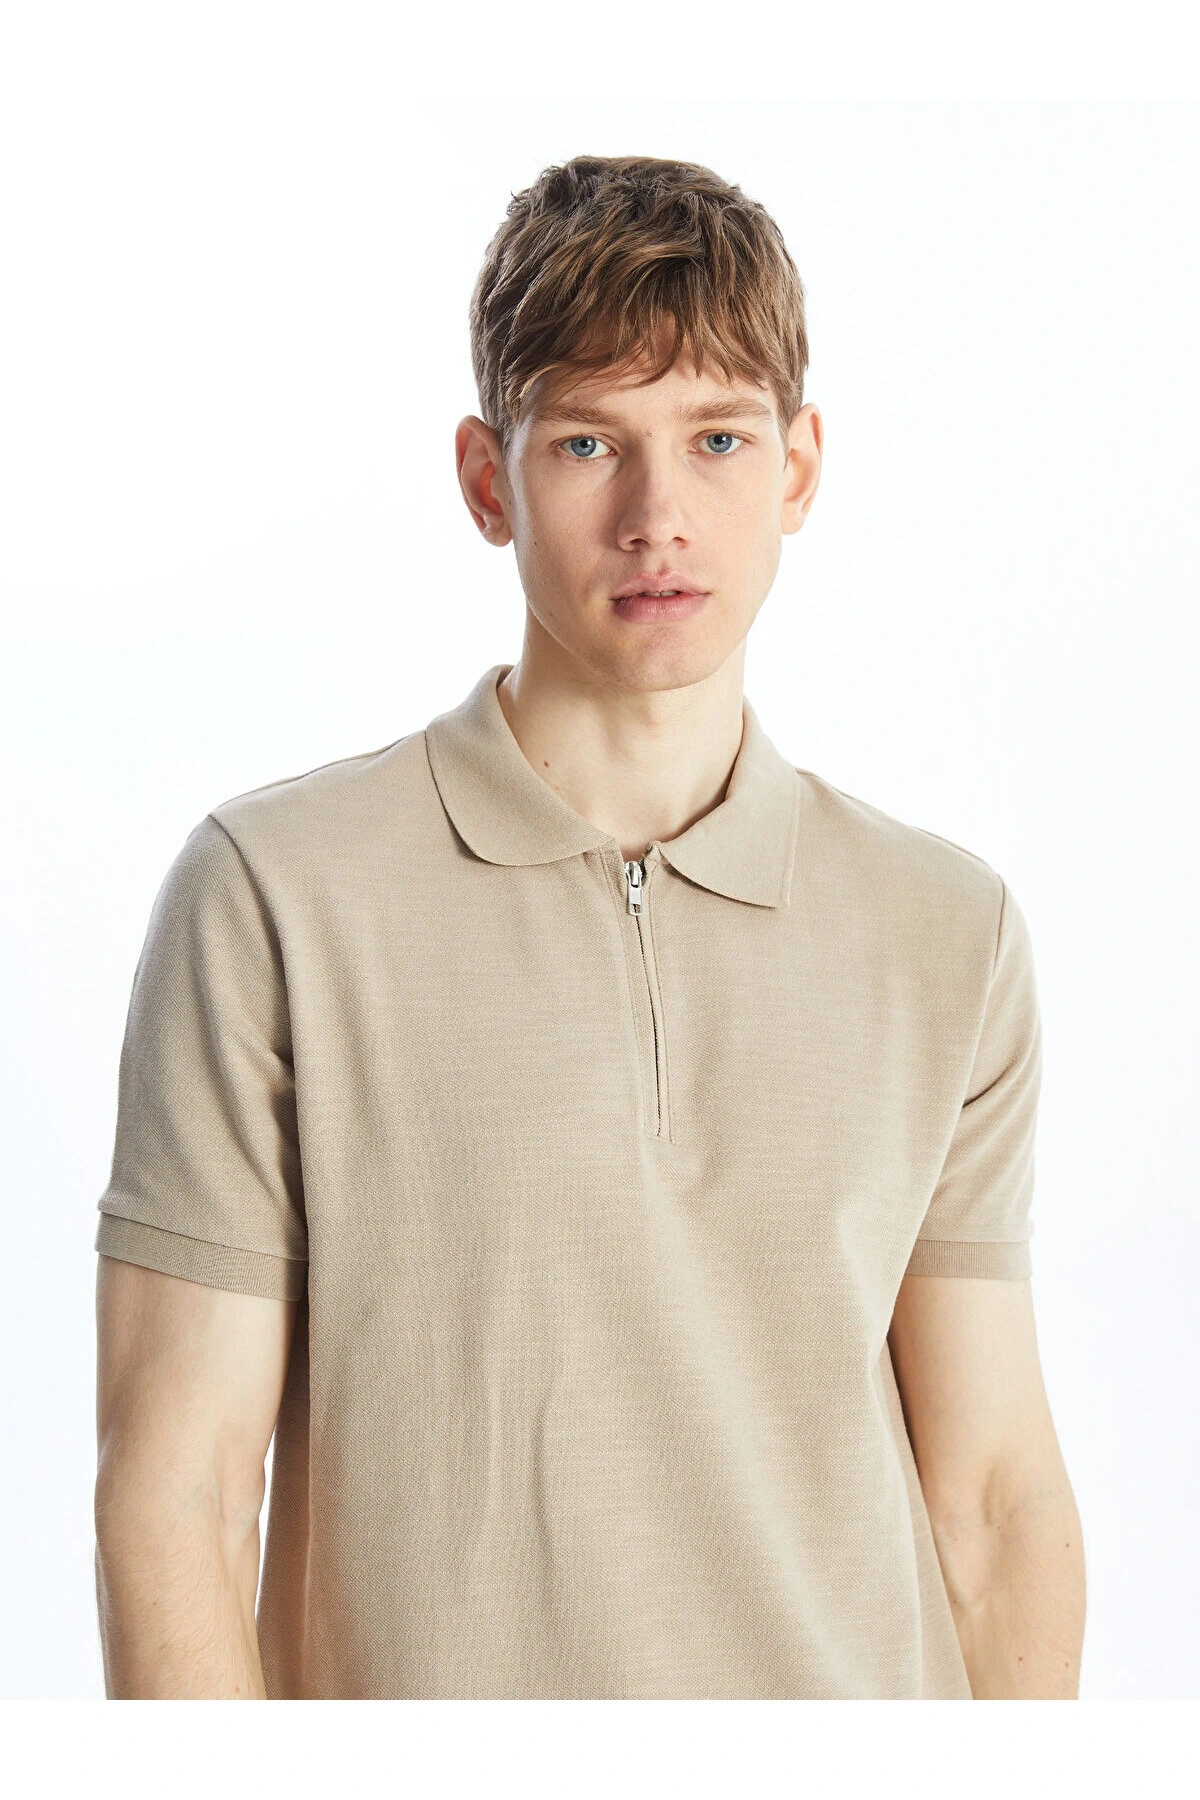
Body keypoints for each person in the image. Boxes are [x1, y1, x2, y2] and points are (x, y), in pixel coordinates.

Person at [93, 153, 1086, 1700]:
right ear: (487, 479)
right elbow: (182, 1496)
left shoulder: (946, 932)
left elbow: (994, 1505)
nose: (656, 516)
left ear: (799, 469)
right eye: (586, 443)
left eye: (717, 439)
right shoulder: (275, 896)